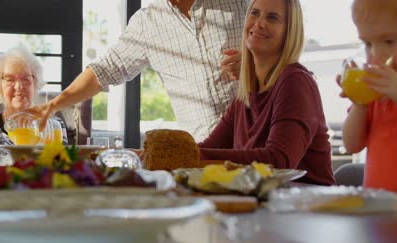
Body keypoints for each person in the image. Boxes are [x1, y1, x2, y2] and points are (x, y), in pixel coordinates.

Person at [26, 0, 247, 142]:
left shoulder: (241, 3)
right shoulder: (147, 23)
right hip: (203, 149)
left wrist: (255, 63)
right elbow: (104, 70)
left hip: (258, 137)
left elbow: (280, 49)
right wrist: (54, 105)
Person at [198, 0, 335, 185]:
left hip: (309, 207)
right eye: (254, 13)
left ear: (289, 32)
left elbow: (278, 161)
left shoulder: (295, 81)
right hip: (268, 206)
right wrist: (161, 153)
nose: (259, 23)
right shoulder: (246, 93)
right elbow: (207, 148)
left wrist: (190, 154)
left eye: (272, 18)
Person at [341, 0, 397, 200]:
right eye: (368, 44)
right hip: (379, 218)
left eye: (389, 41)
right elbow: (351, 145)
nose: (376, 54)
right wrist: (360, 104)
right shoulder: (376, 89)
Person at [0, 45, 67, 153]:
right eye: (9, 79)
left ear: (35, 84)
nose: (19, 86)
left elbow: (62, 166)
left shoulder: (54, 127)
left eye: (26, 79)